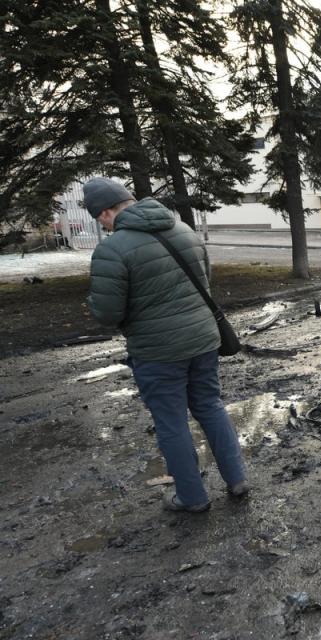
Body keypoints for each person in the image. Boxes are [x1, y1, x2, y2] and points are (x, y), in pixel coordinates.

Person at [84, 177, 247, 513]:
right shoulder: (185, 231)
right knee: (210, 406)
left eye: (99, 217)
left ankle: (192, 497)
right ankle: (237, 479)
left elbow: (108, 313)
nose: (102, 223)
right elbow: (205, 279)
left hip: (157, 352)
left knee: (172, 421)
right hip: (203, 340)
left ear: (104, 214)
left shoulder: (112, 250)